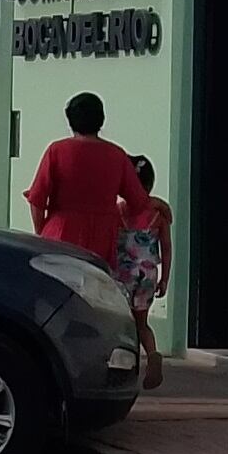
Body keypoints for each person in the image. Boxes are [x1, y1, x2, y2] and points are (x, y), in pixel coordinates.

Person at [23, 92, 149, 272]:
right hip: (102, 238)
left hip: (60, 232)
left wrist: (42, 230)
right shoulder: (117, 155)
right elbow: (138, 203)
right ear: (101, 120)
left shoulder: (56, 151)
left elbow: (37, 200)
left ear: (70, 121)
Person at [115, 155, 173, 391]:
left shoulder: (118, 212)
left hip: (123, 275)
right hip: (148, 274)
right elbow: (167, 249)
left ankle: (125, 367)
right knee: (142, 323)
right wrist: (165, 278)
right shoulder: (159, 214)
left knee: (121, 324)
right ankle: (153, 354)